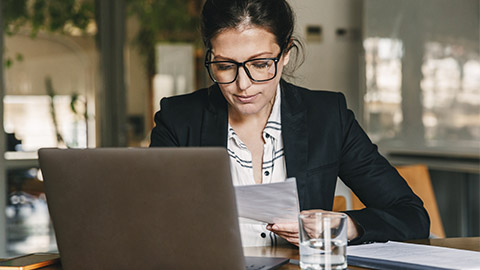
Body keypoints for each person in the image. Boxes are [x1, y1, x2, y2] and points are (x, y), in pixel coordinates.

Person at [150, 0, 430, 246]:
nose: (243, 85)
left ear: (285, 54)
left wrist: (343, 227)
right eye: (225, 66)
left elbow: (410, 214)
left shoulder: (328, 117)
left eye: (260, 64)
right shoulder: (178, 120)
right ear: (210, 57)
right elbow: (148, 222)